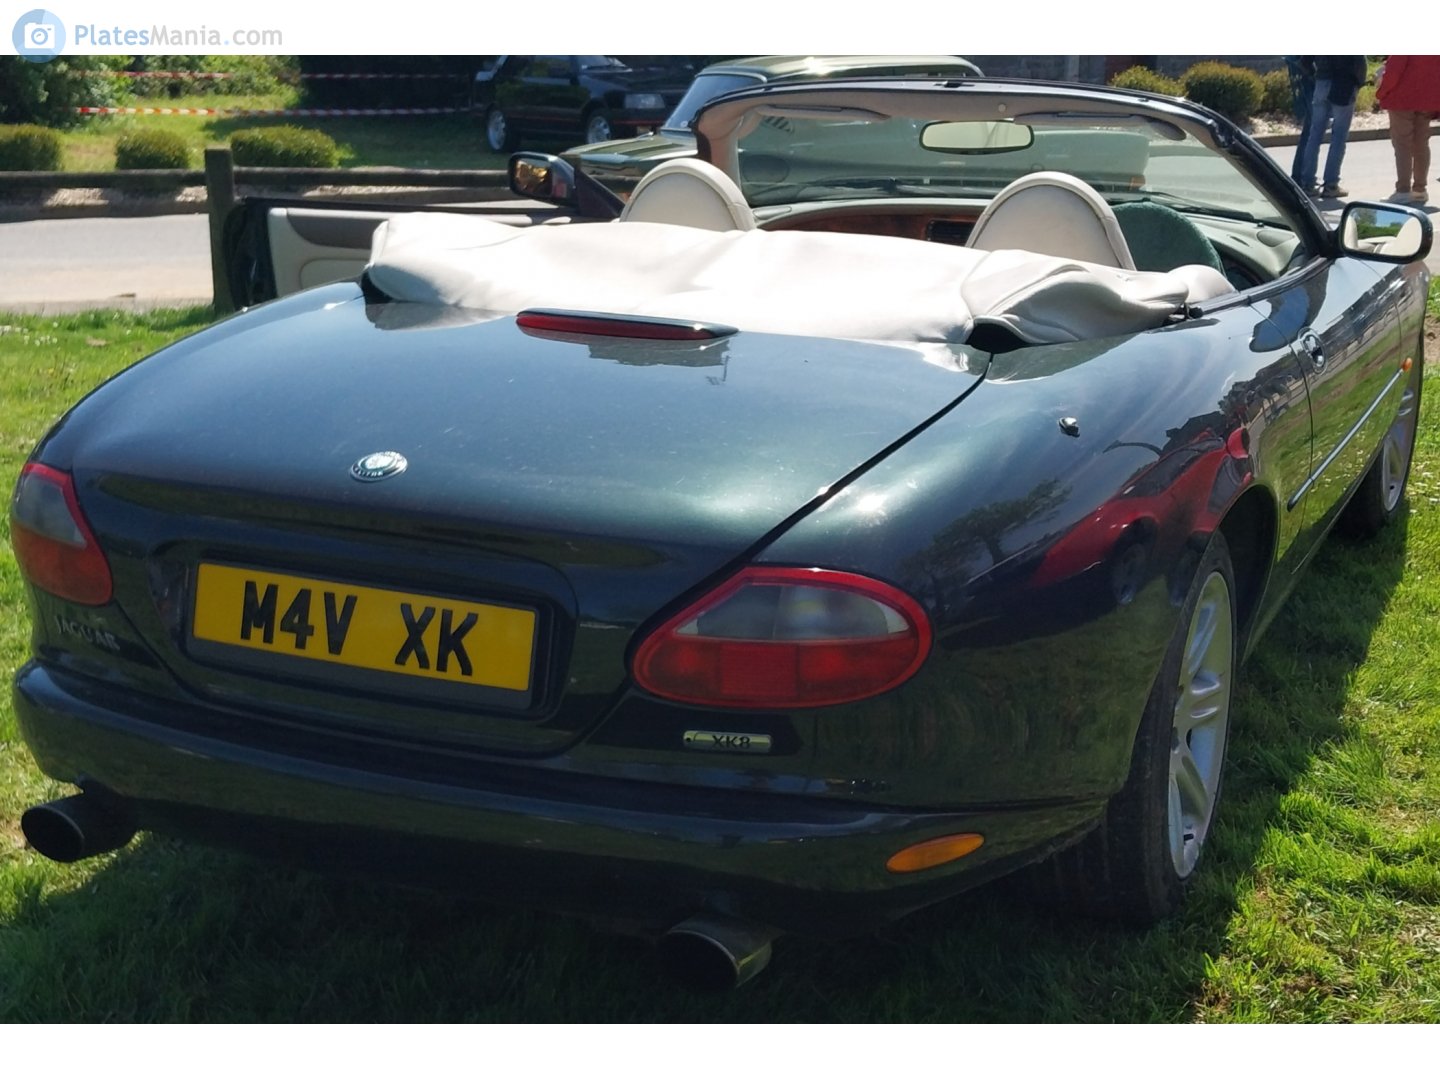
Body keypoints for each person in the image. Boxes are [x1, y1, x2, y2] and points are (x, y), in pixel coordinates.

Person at [1293, 56, 1368, 199]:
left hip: (1321, 82)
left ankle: (1307, 183)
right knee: (1338, 137)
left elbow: (1304, 62)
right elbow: (1360, 63)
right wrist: (1359, 83)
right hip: (1344, 84)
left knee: (1314, 135)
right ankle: (1331, 184)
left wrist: (1315, 75)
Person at [1376, 56, 1440, 206]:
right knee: (1421, 145)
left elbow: (1394, 72)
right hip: (1427, 98)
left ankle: (1403, 190)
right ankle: (1420, 189)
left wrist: (1381, 93)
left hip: (1402, 98)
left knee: (1402, 145)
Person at [1284, 57, 1316, 186]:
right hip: (1310, 82)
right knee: (1311, 133)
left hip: (1306, 81)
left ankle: (1299, 174)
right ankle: (1302, 177)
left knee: (1309, 132)